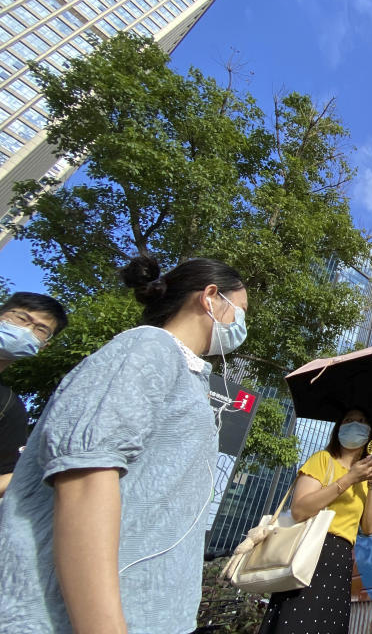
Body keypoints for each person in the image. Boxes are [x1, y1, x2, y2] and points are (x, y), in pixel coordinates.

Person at [0, 255, 247, 634]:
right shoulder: (147, 348)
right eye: (240, 310)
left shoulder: (189, 375)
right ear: (210, 297)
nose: (240, 324)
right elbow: (85, 477)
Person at [259, 408, 372, 634]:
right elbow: (299, 510)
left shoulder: (365, 478)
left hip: (340, 561)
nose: (355, 425)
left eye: (362, 421)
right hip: (310, 551)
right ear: (339, 427)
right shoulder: (323, 459)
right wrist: (349, 478)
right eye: (349, 420)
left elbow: (369, 527)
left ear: (371, 434)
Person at [0, 292, 68, 498]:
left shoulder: (9, 408)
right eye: (21, 318)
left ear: (43, 346)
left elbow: (8, 474)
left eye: (40, 330)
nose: (25, 330)